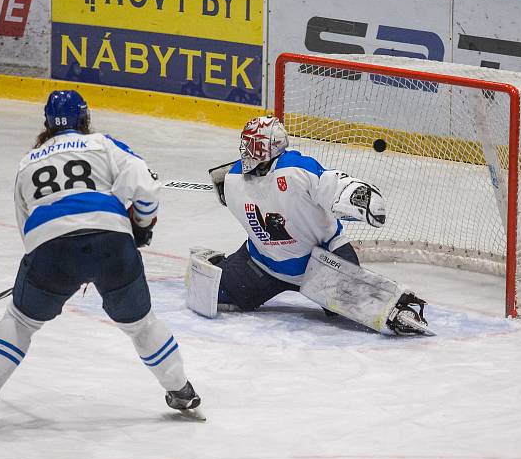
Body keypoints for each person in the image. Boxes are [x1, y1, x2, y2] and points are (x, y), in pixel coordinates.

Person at [0, 90, 202, 427]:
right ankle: (182, 391)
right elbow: (146, 186)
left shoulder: (27, 163)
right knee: (142, 325)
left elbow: (27, 230)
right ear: (85, 119)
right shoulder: (102, 143)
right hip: (111, 244)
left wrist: (41, 270)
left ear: (47, 123)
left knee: (20, 321)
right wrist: (142, 228)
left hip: (50, 250)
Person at [185, 115, 432, 336]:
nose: (246, 149)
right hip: (262, 264)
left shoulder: (296, 169)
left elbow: (332, 183)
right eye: (245, 143)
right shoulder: (232, 179)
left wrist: (357, 194)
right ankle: (220, 264)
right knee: (213, 294)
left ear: (268, 147)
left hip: (324, 260)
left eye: (253, 143)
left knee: (357, 310)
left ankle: (397, 311)